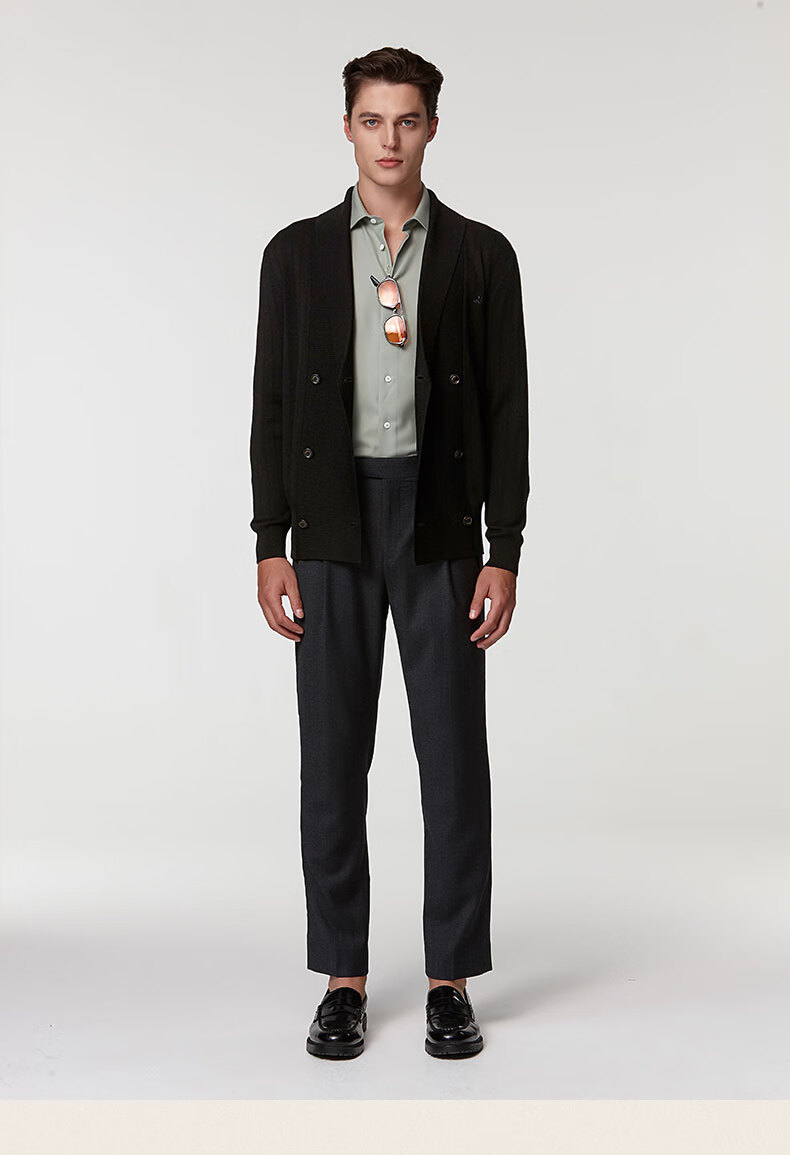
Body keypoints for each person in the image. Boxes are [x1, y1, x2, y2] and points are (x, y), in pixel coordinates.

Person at [249, 45, 529, 1060]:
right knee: (332, 757)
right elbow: (270, 401)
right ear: (347, 128)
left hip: (442, 519)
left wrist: (505, 547)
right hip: (329, 520)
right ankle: (344, 977)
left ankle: (451, 978)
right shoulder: (296, 254)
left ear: (432, 128)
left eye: (407, 120)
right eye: (372, 120)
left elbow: (506, 407)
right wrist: (269, 540)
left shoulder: (480, 255)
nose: (390, 139)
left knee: (452, 758)